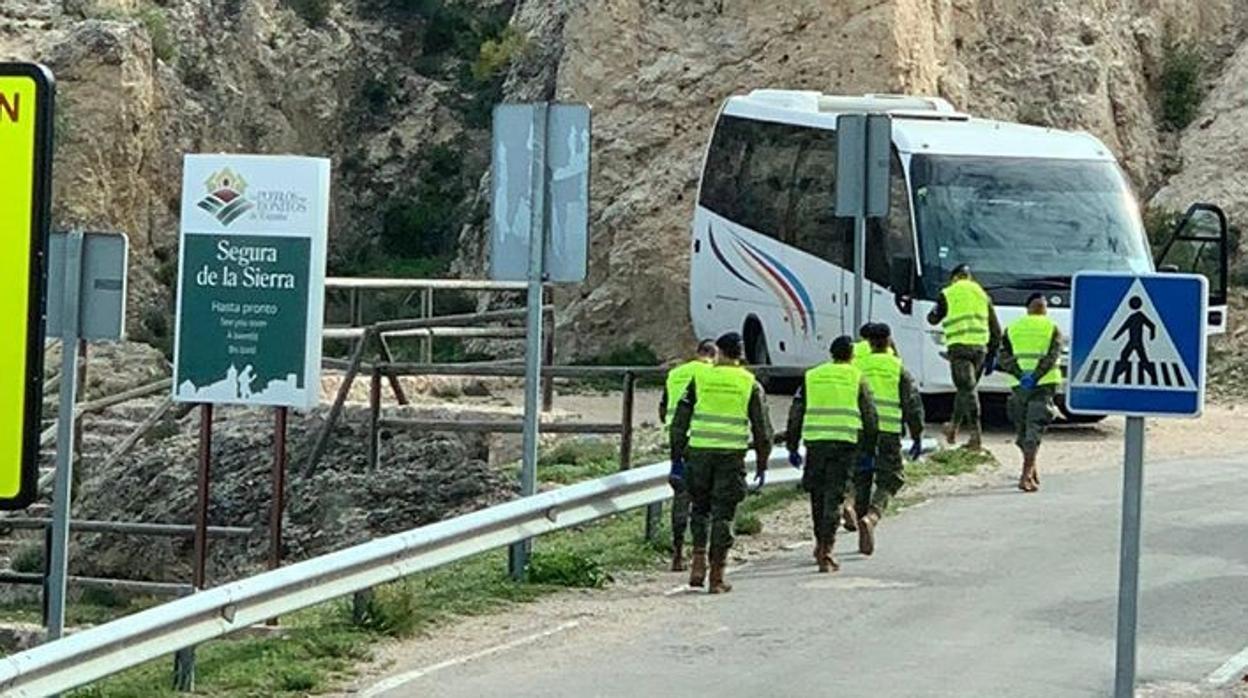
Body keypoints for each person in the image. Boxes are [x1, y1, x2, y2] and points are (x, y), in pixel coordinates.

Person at [669, 332, 772, 593]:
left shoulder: (700, 378)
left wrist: (676, 458)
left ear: (719, 352)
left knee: (700, 509)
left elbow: (679, 422)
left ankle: (698, 561)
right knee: (723, 514)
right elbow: (763, 429)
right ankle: (717, 575)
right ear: (740, 353)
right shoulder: (749, 383)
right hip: (731, 455)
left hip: (699, 452)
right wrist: (762, 461)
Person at [785, 336, 878, 572]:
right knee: (834, 498)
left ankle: (819, 544)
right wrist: (869, 448)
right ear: (851, 355)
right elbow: (870, 416)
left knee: (817, 495)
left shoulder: (812, 376)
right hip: (844, 444)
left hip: (816, 444)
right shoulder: (856, 377)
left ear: (831, 353)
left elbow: (796, 413)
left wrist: (792, 445)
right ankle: (827, 550)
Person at [852, 323, 924, 555]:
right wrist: (917, 434)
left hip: (861, 431)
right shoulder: (898, 368)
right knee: (891, 478)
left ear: (869, 343)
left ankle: (856, 511)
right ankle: (872, 517)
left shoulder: (857, 366)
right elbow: (912, 404)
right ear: (889, 341)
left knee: (861, 477)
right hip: (888, 432)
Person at [926, 264, 1001, 450]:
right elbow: (996, 328)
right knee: (965, 389)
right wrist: (993, 352)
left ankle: (976, 437)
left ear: (954, 277)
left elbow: (932, 318)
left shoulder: (948, 292)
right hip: (980, 349)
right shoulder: (983, 295)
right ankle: (953, 428)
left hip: (959, 348)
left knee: (968, 390)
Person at [659, 339, 718, 572]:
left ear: (697, 353)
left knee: (681, 496)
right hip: (703, 440)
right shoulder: (713, 374)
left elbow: (663, 408)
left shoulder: (675, 373)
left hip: (677, 439)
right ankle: (700, 553)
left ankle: (677, 552)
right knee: (703, 501)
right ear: (714, 355)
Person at [999, 293, 1063, 492]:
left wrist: (1020, 374)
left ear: (1027, 308)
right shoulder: (1052, 328)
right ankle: (1026, 475)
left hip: (1019, 386)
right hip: (1044, 384)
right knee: (1034, 429)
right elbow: (1053, 356)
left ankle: (1029, 470)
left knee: (1023, 430)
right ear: (1044, 308)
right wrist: (1035, 375)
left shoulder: (1012, 328)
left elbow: (1003, 356)